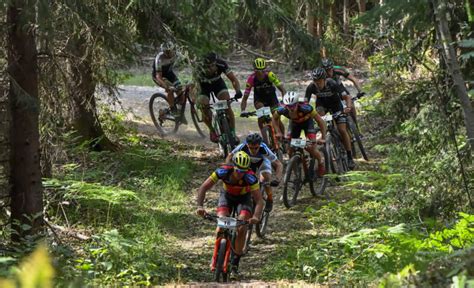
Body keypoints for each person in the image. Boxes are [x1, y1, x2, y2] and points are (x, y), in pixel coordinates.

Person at [196, 151, 263, 278]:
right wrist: (200, 206)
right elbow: (203, 188)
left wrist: (256, 216)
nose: (240, 174)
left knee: (242, 226)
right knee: (221, 222)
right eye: (238, 171)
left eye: (243, 171)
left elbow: (259, 200)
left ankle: (235, 264)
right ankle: (215, 257)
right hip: (226, 196)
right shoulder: (223, 171)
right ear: (233, 167)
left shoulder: (250, 177)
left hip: (244, 199)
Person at [305, 67, 355, 169]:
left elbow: (347, 97)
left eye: (319, 81)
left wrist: (348, 107)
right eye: (315, 81)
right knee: (320, 116)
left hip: (336, 105)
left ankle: (350, 157)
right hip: (322, 106)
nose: (317, 84)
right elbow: (305, 103)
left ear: (324, 79)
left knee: (342, 129)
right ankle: (327, 137)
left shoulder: (332, 83)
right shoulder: (311, 87)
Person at [272, 91, 327, 176]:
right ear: (286, 105)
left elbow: (321, 122)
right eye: (289, 106)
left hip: (308, 124)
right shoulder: (282, 109)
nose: (291, 108)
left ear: (297, 103)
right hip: (294, 125)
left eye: (293, 105)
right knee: (289, 149)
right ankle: (296, 174)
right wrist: (278, 132)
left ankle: (321, 160)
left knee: (309, 146)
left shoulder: (306, 108)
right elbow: (274, 119)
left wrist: (323, 137)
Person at [226, 133, 283, 212]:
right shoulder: (242, 146)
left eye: (256, 148)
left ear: (260, 145)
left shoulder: (264, 148)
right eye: (251, 148)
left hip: (262, 161)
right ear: (247, 144)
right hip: (248, 162)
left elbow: (278, 164)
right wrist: (229, 168)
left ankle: (270, 198)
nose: (253, 150)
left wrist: (277, 179)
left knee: (265, 179)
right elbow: (229, 156)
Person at [195, 52, 242, 143]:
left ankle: (232, 132)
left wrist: (238, 91)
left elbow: (233, 79)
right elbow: (194, 86)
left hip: (218, 84)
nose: (210, 69)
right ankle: (212, 131)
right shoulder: (198, 68)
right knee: (204, 108)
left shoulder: (221, 64)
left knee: (227, 106)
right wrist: (195, 99)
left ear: (215, 63)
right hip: (203, 87)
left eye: (212, 65)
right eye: (207, 66)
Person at [241, 58, 286, 136]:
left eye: (262, 70)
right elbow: (245, 97)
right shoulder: (251, 78)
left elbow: (282, 90)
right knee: (262, 114)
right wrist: (243, 110)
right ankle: (265, 138)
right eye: (257, 70)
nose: (260, 72)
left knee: (277, 119)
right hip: (259, 99)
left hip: (272, 99)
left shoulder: (270, 75)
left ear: (264, 69)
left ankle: (283, 140)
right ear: (254, 70)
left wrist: (284, 102)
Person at [321, 58, 365, 124]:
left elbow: (353, 79)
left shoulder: (338, 69)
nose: (329, 72)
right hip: (328, 91)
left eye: (330, 70)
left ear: (332, 67)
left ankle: (355, 123)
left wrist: (360, 91)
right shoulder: (320, 74)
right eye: (326, 71)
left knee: (351, 104)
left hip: (339, 87)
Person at [152, 41, 184, 119]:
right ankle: (173, 109)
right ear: (164, 52)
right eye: (167, 52)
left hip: (169, 74)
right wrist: (166, 86)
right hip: (159, 76)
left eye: (171, 51)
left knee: (180, 91)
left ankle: (179, 113)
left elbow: (187, 62)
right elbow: (158, 76)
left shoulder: (176, 54)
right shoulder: (159, 59)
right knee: (170, 89)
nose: (170, 53)